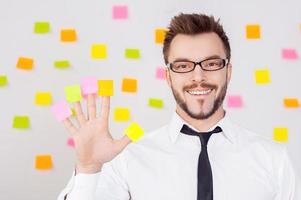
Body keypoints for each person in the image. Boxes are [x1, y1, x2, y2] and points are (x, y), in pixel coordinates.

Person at [58, 13, 300, 200]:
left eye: (211, 63)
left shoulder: (273, 159)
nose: (198, 76)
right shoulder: (126, 157)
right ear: (168, 76)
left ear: (228, 71)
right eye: (183, 66)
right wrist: (89, 168)